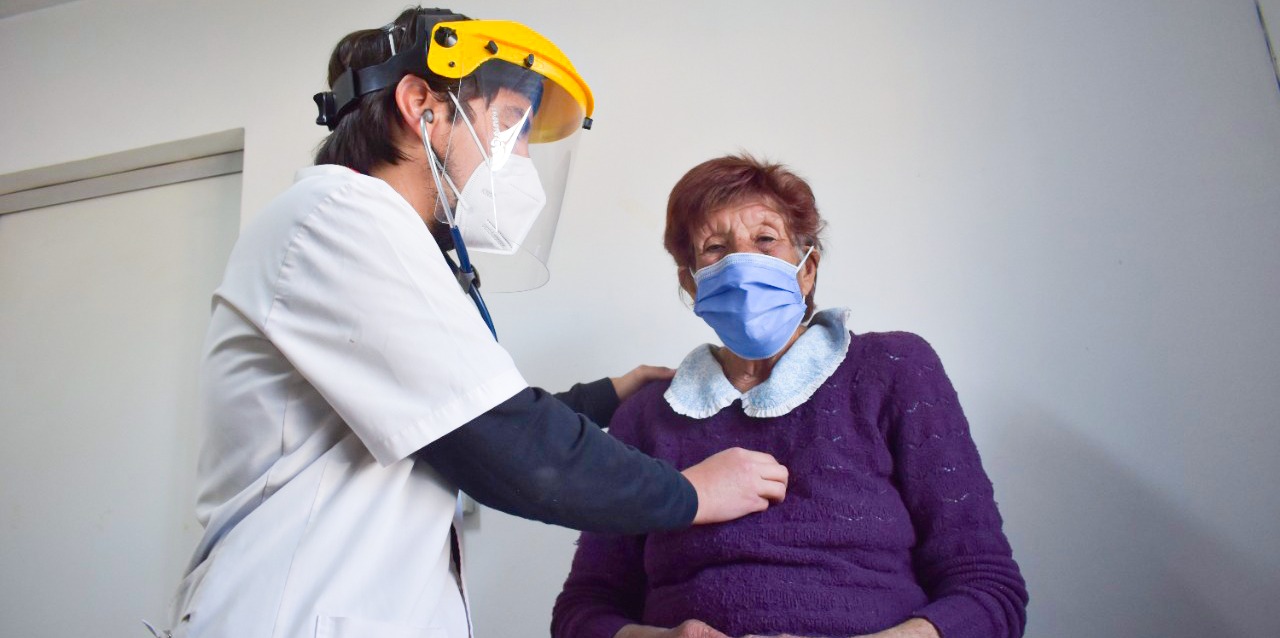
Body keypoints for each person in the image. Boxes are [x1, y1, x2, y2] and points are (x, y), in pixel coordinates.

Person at [161, 10, 789, 638]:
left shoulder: (382, 235)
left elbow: (452, 411)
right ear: (422, 106)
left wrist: (607, 395)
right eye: (511, 122)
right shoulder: (339, 219)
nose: (520, 156)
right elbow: (503, 443)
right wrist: (691, 494)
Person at [552, 155, 1028, 638]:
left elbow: (988, 590)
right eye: (715, 248)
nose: (743, 264)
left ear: (807, 269)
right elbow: (583, 611)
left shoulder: (895, 371)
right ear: (689, 282)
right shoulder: (647, 415)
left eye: (765, 240)